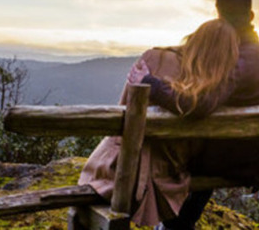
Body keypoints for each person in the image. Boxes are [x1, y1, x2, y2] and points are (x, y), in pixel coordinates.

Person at [77, 18, 243, 226]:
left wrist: (150, 83)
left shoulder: (153, 58)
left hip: (122, 164)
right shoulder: (216, 81)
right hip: (173, 169)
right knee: (196, 194)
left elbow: (124, 107)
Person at [154, 0, 259, 230]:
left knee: (163, 158)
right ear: (251, 16)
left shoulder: (231, 59)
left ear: (218, 17)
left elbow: (199, 104)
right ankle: (178, 225)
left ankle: (172, 225)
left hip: (234, 160)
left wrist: (154, 86)